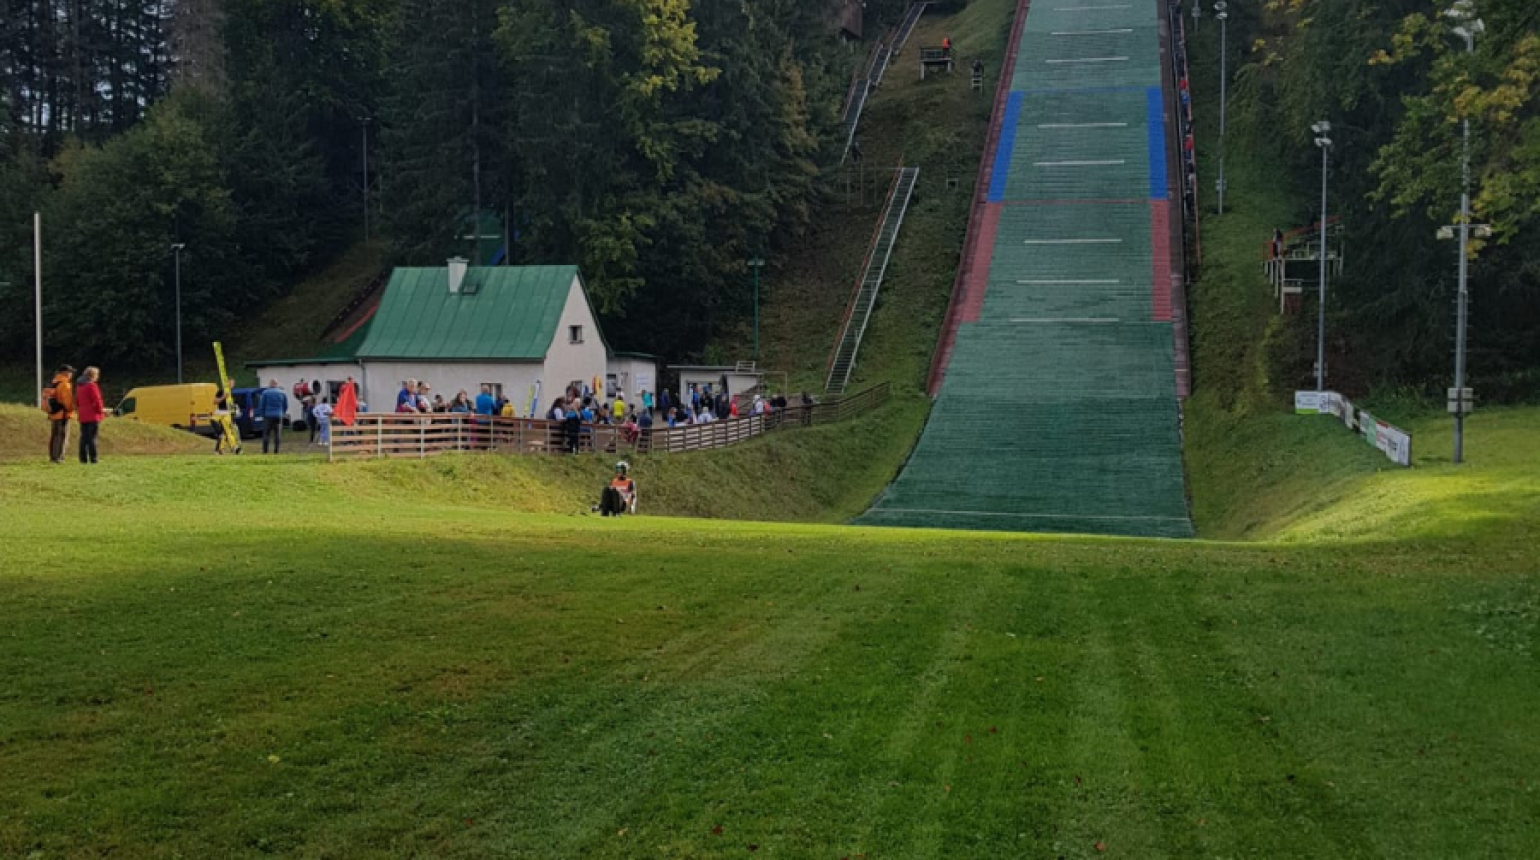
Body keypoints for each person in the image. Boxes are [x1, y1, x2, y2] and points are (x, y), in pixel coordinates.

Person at [44, 364, 75, 463]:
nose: (71, 374)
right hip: (62, 414)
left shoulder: (53, 382)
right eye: (70, 372)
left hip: (53, 413)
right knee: (62, 436)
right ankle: (59, 457)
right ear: (65, 373)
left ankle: (53, 456)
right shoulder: (65, 384)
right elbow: (67, 401)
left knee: (54, 435)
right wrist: (71, 410)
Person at [75, 366, 104, 464]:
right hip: (92, 415)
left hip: (83, 415)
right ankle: (93, 458)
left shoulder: (79, 386)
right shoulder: (92, 386)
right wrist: (100, 411)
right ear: (93, 375)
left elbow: (77, 401)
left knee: (84, 438)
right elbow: (97, 400)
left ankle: (82, 458)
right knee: (92, 438)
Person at [258, 380, 288, 454]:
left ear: (270, 384)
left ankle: (265, 451)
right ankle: (276, 450)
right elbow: (285, 405)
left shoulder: (265, 393)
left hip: (268, 415)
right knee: (277, 434)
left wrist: (262, 414)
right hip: (278, 415)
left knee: (266, 434)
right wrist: (282, 412)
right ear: (276, 384)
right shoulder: (282, 393)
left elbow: (262, 405)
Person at [213, 377, 241, 455]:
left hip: (228, 414)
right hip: (221, 414)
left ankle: (229, 448)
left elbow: (232, 405)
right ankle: (225, 449)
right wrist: (223, 397)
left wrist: (235, 409)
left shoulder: (231, 393)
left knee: (227, 432)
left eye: (233, 383)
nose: (232, 385)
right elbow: (215, 401)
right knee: (225, 432)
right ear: (227, 382)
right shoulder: (221, 391)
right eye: (231, 382)